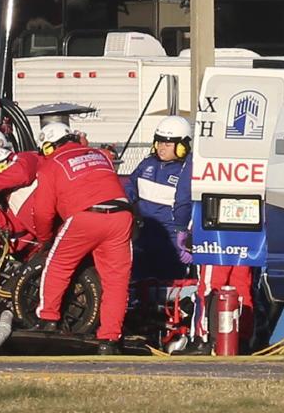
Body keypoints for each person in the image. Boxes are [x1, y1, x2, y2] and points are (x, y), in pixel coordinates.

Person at [33, 122, 133, 355]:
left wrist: (44, 239)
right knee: (116, 281)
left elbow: (42, 211)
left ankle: (48, 319)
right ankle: (109, 339)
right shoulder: (99, 155)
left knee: (58, 265)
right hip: (121, 214)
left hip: (85, 216)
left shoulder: (51, 164)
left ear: (48, 147)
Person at [124, 115, 193, 281]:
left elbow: (185, 204)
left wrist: (184, 237)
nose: (162, 148)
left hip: (172, 239)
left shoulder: (187, 169)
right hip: (144, 232)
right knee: (139, 281)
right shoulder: (148, 164)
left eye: (167, 144)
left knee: (170, 282)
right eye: (159, 142)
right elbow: (130, 186)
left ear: (181, 147)